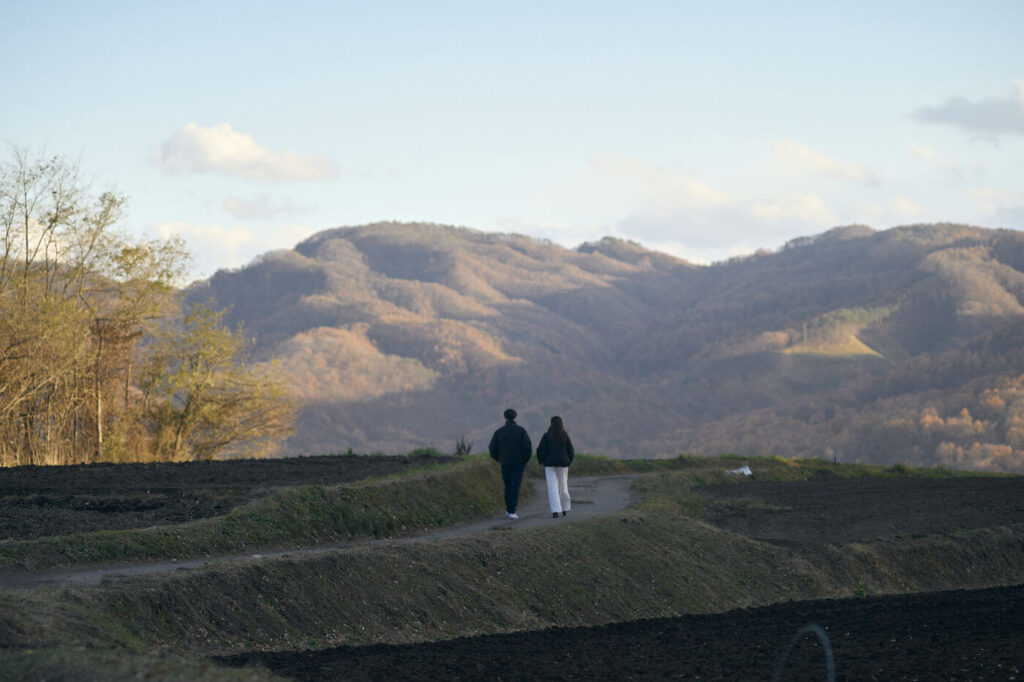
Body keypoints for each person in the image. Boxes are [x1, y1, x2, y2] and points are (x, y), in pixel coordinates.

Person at [488, 408, 532, 519]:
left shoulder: (499, 432)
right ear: (515, 416)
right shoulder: (521, 431)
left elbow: (492, 449)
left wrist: (500, 459)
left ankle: (508, 510)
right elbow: (528, 447)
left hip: (505, 463)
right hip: (518, 463)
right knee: (514, 486)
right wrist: (524, 460)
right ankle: (512, 510)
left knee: (507, 486)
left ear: (505, 417)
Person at [536, 415, 574, 518]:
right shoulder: (564, 435)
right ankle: (565, 508)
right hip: (563, 464)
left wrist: (541, 460)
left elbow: (541, 449)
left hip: (549, 464)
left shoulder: (547, 435)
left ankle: (555, 511)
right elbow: (570, 450)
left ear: (551, 423)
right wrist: (569, 461)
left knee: (552, 488)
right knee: (563, 486)